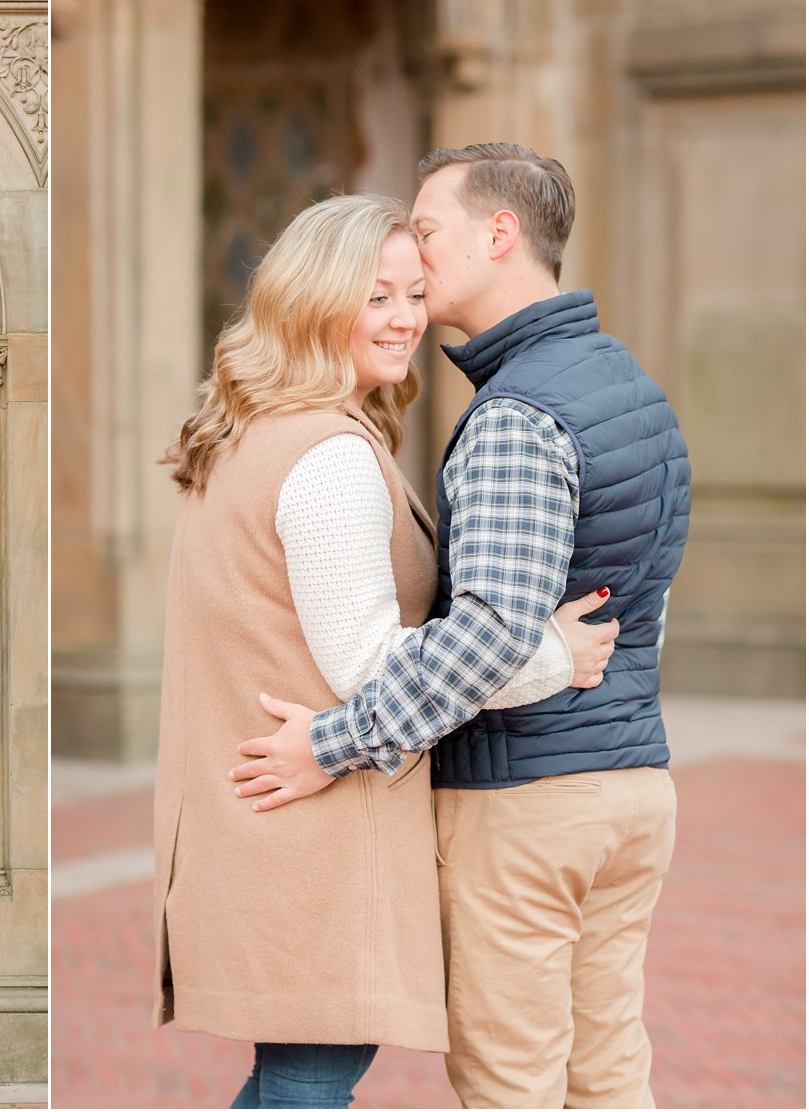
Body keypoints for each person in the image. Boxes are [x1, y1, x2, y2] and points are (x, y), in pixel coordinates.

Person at [230, 145, 691, 1108]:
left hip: (525, 804)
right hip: (632, 783)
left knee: (511, 1084)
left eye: (429, 232)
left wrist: (330, 743)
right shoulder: (628, 385)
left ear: (500, 233)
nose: (416, 258)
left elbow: (486, 634)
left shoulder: (518, 415)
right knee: (607, 1074)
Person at [153, 192, 619, 1110]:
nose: (405, 317)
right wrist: (551, 655)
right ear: (314, 300)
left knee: (300, 1076)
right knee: (309, 1079)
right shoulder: (326, 455)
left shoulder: (257, 433)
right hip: (312, 833)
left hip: (260, 824)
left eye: (414, 293)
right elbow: (370, 666)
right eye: (377, 295)